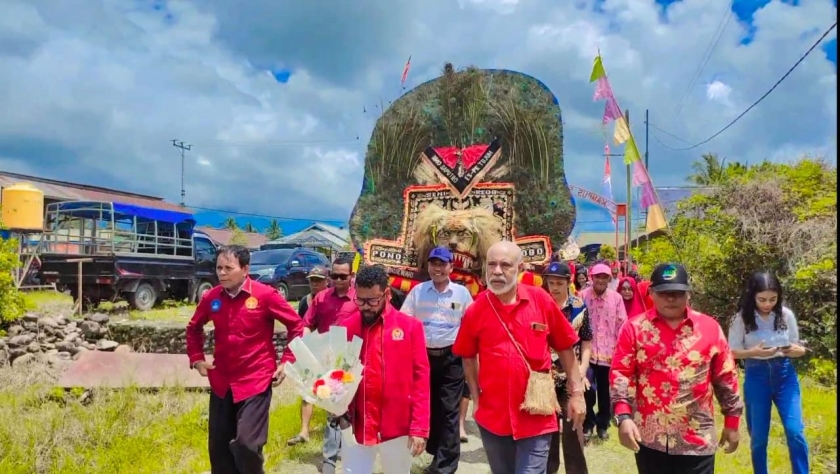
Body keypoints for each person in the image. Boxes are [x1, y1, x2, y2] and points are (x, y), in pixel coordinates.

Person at [453, 241, 586, 474]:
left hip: (537, 416)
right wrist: (476, 397)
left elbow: (565, 347)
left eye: (505, 265)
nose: (497, 271)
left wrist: (576, 394)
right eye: (492, 264)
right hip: (493, 418)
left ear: (520, 268)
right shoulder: (475, 310)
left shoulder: (540, 300)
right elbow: (468, 356)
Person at [610, 263, 743, 474]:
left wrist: (732, 421)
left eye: (678, 293)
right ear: (651, 293)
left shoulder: (709, 328)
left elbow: (726, 377)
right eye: (664, 293)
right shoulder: (634, 329)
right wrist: (623, 417)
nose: (671, 298)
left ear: (688, 294)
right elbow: (620, 374)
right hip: (650, 438)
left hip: (697, 438)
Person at [185, 245, 304, 474]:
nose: (222, 273)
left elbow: (296, 326)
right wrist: (197, 358)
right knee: (219, 450)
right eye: (219, 268)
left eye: (228, 268)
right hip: (222, 382)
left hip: (255, 381)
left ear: (245, 269)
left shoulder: (265, 295)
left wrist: (287, 361)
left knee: (247, 445)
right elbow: (193, 328)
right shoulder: (212, 297)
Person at [339, 265, 430, 473]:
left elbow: (421, 380)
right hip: (358, 424)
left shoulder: (410, 327)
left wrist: (419, 427)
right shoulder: (347, 327)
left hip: (397, 425)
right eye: (360, 300)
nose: (365, 307)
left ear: (387, 294)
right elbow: (338, 374)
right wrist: (334, 404)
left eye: (372, 300)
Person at [400, 247, 473, 474]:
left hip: (452, 359)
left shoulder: (462, 294)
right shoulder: (418, 292)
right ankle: (435, 456)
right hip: (422, 358)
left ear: (451, 267)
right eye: (434, 264)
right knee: (429, 407)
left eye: (442, 264)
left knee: (449, 410)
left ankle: (445, 467)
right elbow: (404, 320)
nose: (437, 268)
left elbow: (471, 324)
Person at [728, 271, 809, 474]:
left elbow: (798, 346)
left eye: (773, 299)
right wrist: (753, 352)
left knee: (795, 431)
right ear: (753, 296)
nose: (767, 304)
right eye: (762, 299)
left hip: (784, 375)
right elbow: (731, 351)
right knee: (758, 436)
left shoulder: (786, 315)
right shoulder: (741, 318)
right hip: (756, 375)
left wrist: (797, 351)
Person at [302, 256, 357, 474]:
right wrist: (306, 348)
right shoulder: (322, 298)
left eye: (343, 276)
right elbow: (307, 324)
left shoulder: (359, 298)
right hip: (328, 362)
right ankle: (330, 459)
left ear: (351, 276)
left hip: (353, 360)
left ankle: (354, 452)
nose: (338, 280)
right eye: (334, 276)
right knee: (332, 408)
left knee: (352, 410)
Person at [542, 261, 591, 474]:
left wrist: (583, 369)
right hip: (544, 377)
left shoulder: (579, 307)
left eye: (559, 283)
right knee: (547, 432)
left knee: (573, 429)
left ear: (568, 282)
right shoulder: (540, 305)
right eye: (551, 283)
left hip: (571, 376)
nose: (554, 288)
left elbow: (587, 340)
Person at [578, 263, 626, 441]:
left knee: (606, 393)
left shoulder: (616, 298)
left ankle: (603, 424)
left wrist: (620, 351)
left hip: (609, 353)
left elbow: (622, 324)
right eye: (597, 276)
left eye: (604, 277)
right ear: (592, 277)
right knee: (588, 390)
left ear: (609, 279)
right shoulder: (582, 296)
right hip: (587, 353)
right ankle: (588, 423)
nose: (600, 280)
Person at [285, 266, 331, 448]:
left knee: (333, 391)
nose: (315, 283)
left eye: (318, 280)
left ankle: (333, 430)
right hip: (312, 350)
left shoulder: (331, 299)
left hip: (331, 349)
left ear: (327, 281)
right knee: (308, 391)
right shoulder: (305, 301)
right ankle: (304, 431)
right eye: (312, 280)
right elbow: (301, 325)